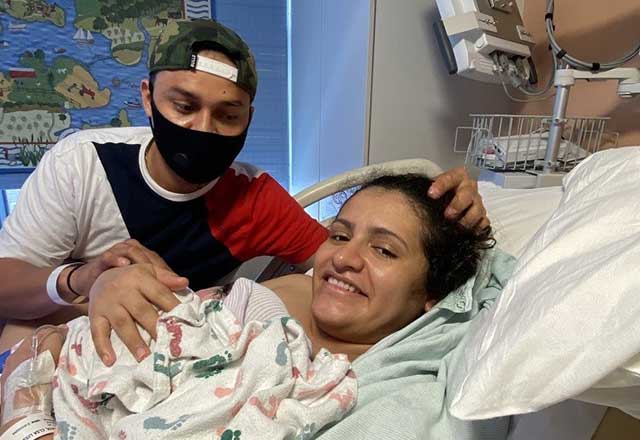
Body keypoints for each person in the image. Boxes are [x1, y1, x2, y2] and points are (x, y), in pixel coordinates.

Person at [0, 18, 489, 363]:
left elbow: (352, 267)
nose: (203, 128)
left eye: (228, 115)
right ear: (148, 99)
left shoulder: (254, 198)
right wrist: (80, 281)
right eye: (184, 105)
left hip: (166, 355)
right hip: (62, 333)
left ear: (249, 120)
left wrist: (449, 217)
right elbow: (6, 288)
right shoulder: (85, 163)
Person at [0, 175, 513, 439]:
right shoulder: (293, 290)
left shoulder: (377, 385)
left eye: (384, 249)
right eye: (339, 234)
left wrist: (475, 227)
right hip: (67, 359)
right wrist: (101, 280)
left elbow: (504, 284)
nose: (345, 258)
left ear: (432, 295)